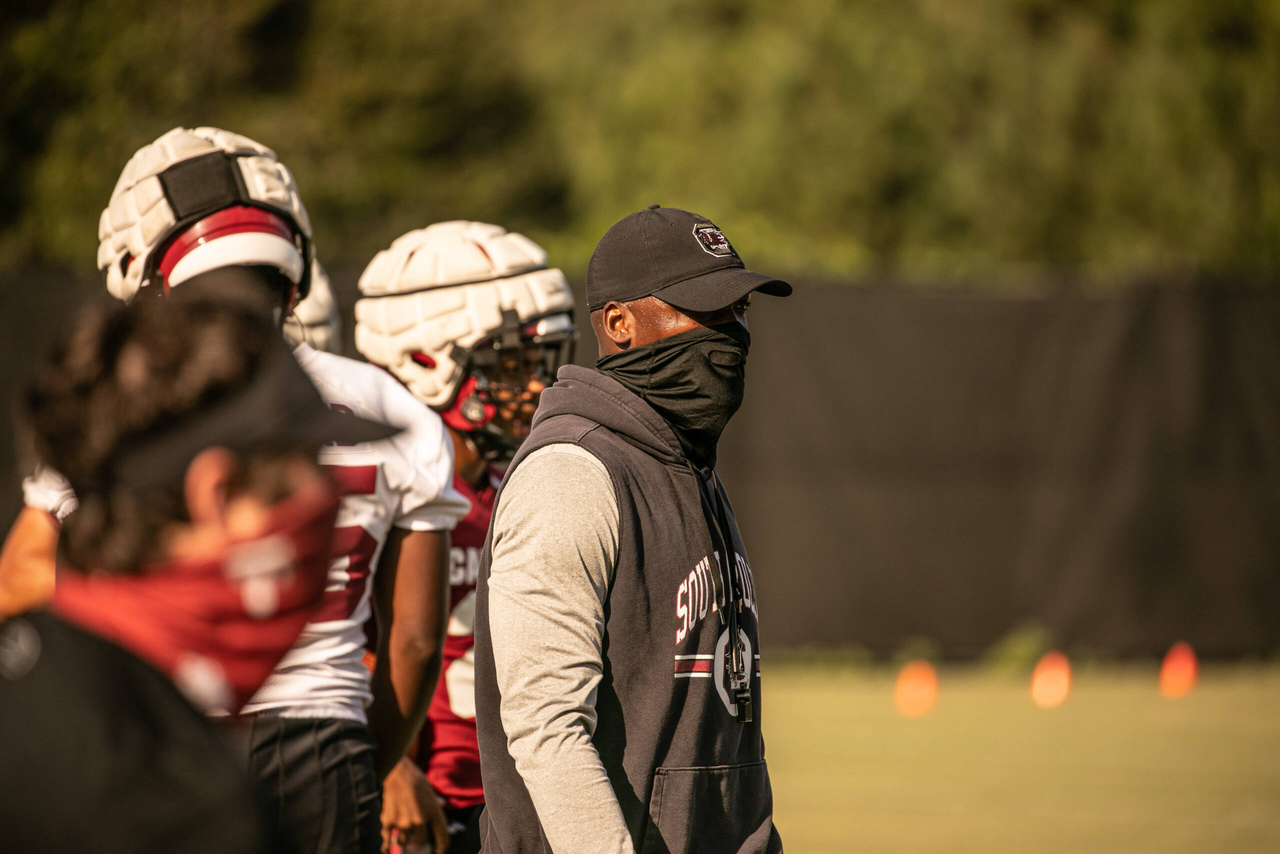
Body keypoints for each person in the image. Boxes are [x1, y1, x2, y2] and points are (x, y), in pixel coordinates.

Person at [0, 127, 469, 854]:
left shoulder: (117, 390)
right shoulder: (386, 405)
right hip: (317, 746)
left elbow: (21, 578)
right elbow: (412, 639)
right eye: (300, 472)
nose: (317, 505)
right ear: (220, 495)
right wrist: (374, 767)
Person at [0, 286, 398, 852]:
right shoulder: (183, 805)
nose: (330, 497)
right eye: (308, 466)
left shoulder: (34, 677)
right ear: (219, 494)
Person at [472, 205, 791, 854]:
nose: (728, 333)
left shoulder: (691, 468)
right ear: (618, 324)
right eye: (702, 311)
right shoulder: (572, 472)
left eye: (737, 311)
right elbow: (546, 727)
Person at [354, 221, 577, 853]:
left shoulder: (524, 480)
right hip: (416, 803)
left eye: (539, 361)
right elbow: (334, 651)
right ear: (425, 362)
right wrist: (390, 767)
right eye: (509, 364)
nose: (533, 385)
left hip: (515, 797)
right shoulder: (371, 488)